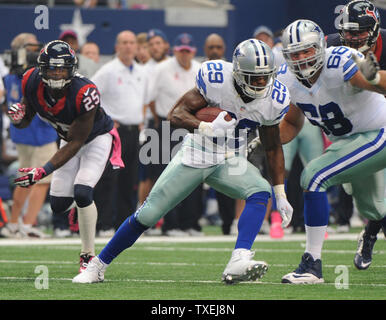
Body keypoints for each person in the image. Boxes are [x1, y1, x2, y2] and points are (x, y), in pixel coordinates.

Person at [72, 38, 293, 284]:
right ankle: (97, 265)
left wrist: (280, 193)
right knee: (147, 214)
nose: (261, 83)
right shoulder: (217, 79)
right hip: (197, 154)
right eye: (255, 77)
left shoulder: (275, 98)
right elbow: (175, 114)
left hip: (230, 159)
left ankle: (239, 259)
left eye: (265, 76)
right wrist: (206, 127)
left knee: (261, 191)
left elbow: (272, 146)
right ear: (239, 73)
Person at [277, 19, 386, 284]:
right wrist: (258, 138)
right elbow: (291, 122)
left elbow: (380, 85)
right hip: (348, 142)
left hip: (379, 132)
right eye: (295, 54)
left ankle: (311, 265)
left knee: (313, 176)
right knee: (374, 209)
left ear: (320, 46)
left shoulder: (341, 60)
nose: (301, 59)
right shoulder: (286, 78)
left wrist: (374, 76)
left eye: (306, 51)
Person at [7, 40, 123, 271]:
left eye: (62, 68)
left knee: (82, 191)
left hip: (95, 139)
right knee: (59, 205)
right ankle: (77, 212)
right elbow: (26, 118)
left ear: (71, 68)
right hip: (68, 140)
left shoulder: (84, 92)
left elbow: (76, 141)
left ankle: (88, 256)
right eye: (52, 68)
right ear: (42, 69)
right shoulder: (30, 81)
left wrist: (42, 170)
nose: (57, 73)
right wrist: (19, 119)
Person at [326, 0, 386, 268]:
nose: (351, 37)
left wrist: (375, 78)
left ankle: (370, 234)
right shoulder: (328, 46)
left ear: (374, 30)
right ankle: (371, 231)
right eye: (347, 31)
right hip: (349, 122)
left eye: (358, 32)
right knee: (367, 192)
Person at [144, 33, 203, 236]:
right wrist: (161, 119)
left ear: (193, 51)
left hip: (193, 127)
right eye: (180, 51)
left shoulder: (198, 69)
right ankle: (170, 224)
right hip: (167, 126)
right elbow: (149, 98)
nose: (184, 54)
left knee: (193, 174)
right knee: (166, 176)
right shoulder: (161, 69)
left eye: (187, 51)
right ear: (175, 51)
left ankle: (190, 222)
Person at [0, 33, 58, 238]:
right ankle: (27, 225)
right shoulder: (33, 76)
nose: (36, 53)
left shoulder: (9, 77)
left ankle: (14, 224)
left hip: (21, 132)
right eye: (31, 49)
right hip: (40, 133)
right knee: (41, 180)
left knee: (24, 178)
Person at [91, 30, 147, 230]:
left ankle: (124, 224)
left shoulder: (141, 72)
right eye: (124, 42)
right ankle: (103, 223)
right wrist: (106, 120)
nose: (129, 46)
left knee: (129, 180)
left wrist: (140, 120)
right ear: (117, 46)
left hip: (134, 131)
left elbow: (143, 100)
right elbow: (90, 97)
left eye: (132, 42)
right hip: (114, 132)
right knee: (108, 179)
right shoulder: (108, 71)